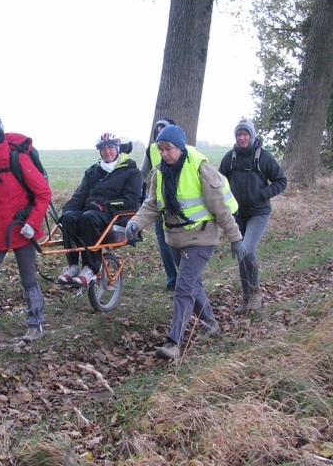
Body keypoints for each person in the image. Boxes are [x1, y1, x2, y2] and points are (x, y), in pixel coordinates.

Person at [124, 125, 246, 360]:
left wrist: (235, 238)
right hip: (176, 239)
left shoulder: (201, 169)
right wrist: (136, 223)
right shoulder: (159, 173)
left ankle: (174, 343)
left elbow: (219, 208)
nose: (164, 154)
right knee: (193, 284)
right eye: (160, 149)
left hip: (202, 238)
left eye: (168, 148)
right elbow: (152, 204)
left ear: (180, 147)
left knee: (183, 288)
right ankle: (210, 324)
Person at [0, 115, 52, 350]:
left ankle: (36, 325)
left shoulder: (18, 159)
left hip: (21, 230)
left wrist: (32, 223)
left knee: (28, 279)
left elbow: (44, 194)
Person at [219, 119, 287, 313]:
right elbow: (219, 182)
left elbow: (281, 181)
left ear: (252, 136)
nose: (242, 137)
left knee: (247, 250)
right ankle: (246, 298)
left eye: (245, 134)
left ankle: (256, 293)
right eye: (239, 134)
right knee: (241, 254)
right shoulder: (229, 158)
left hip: (259, 212)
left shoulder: (263, 157)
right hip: (238, 214)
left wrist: (262, 194)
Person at [57, 133, 142, 286]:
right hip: (91, 212)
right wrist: (65, 212)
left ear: (117, 149)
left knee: (89, 217)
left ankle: (91, 267)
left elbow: (131, 202)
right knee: (69, 217)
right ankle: (73, 266)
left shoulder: (131, 172)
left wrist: (104, 206)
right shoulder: (93, 171)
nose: (107, 152)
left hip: (114, 215)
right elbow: (80, 196)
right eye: (103, 149)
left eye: (110, 147)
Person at [140, 118, 178, 292]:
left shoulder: (181, 149)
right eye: (158, 130)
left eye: (164, 129)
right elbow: (142, 174)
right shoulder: (151, 151)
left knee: (178, 242)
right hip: (158, 202)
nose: (160, 132)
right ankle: (172, 280)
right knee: (163, 242)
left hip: (178, 203)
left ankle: (186, 278)